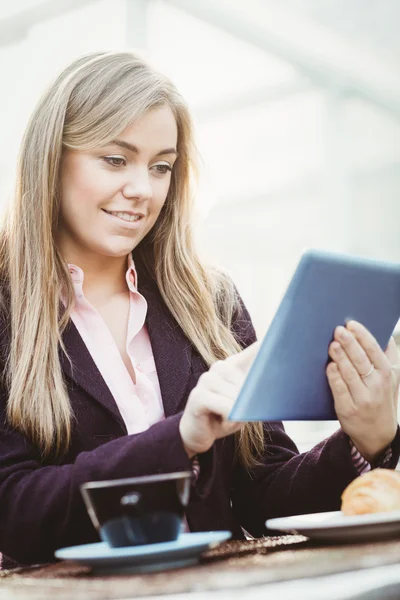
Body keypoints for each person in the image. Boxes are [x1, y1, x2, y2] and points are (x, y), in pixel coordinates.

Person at [0, 51, 399, 568]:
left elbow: (262, 498)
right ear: (52, 158)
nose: (142, 190)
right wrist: (180, 438)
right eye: (115, 160)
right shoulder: (9, 312)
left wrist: (363, 439)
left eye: (161, 166)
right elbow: (15, 510)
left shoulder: (209, 303)